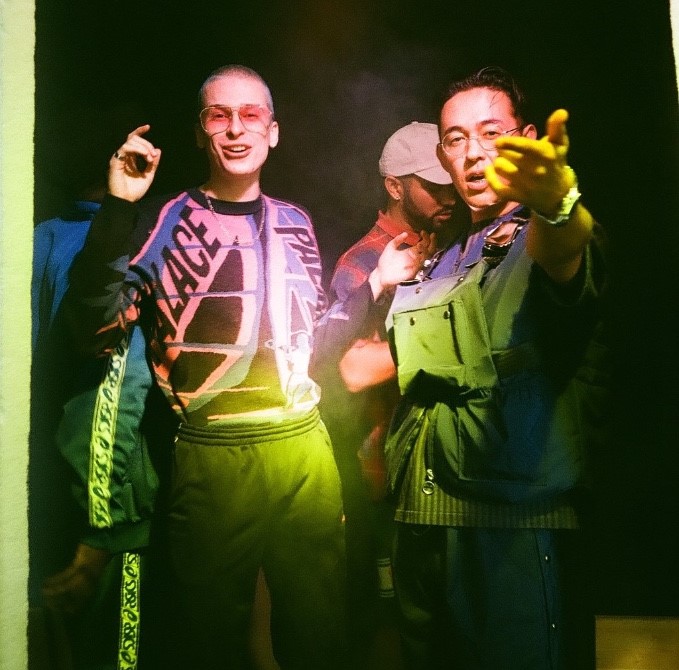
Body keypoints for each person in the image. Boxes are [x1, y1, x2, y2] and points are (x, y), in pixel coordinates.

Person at [312, 66, 607, 669]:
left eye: (490, 132)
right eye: (455, 138)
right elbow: (350, 369)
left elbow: (564, 250)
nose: (473, 153)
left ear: (525, 138)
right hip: (422, 521)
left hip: (512, 526)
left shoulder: (537, 237)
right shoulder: (442, 256)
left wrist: (557, 206)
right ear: (443, 155)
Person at [61, 64, 345, 670]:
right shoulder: (165, 220)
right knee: (209, 640)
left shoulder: (297, 221)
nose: (236, 129)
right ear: (200, 132)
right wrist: (119, 207)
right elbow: (90, 330)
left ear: (273, 131)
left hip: (306, 451)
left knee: (319, 631)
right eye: (220, 116)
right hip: (213, 455)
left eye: (251, 115)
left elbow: (312, 335)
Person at [314, 121, 461, 668]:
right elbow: (349, 371)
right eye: (433, 186)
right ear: (395, 186)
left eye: (450, 184)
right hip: (381, 478)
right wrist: (457, 343)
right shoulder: (364, 261)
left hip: (434, 470)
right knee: (385, 630)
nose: (449, 197)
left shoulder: (446, 249)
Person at [30, 181, 172, 670]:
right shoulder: (120, 248)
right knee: (119, 657)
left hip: (55, 497)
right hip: (110, 519)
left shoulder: (43, 235)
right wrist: (102, 530)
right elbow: (116, 386)